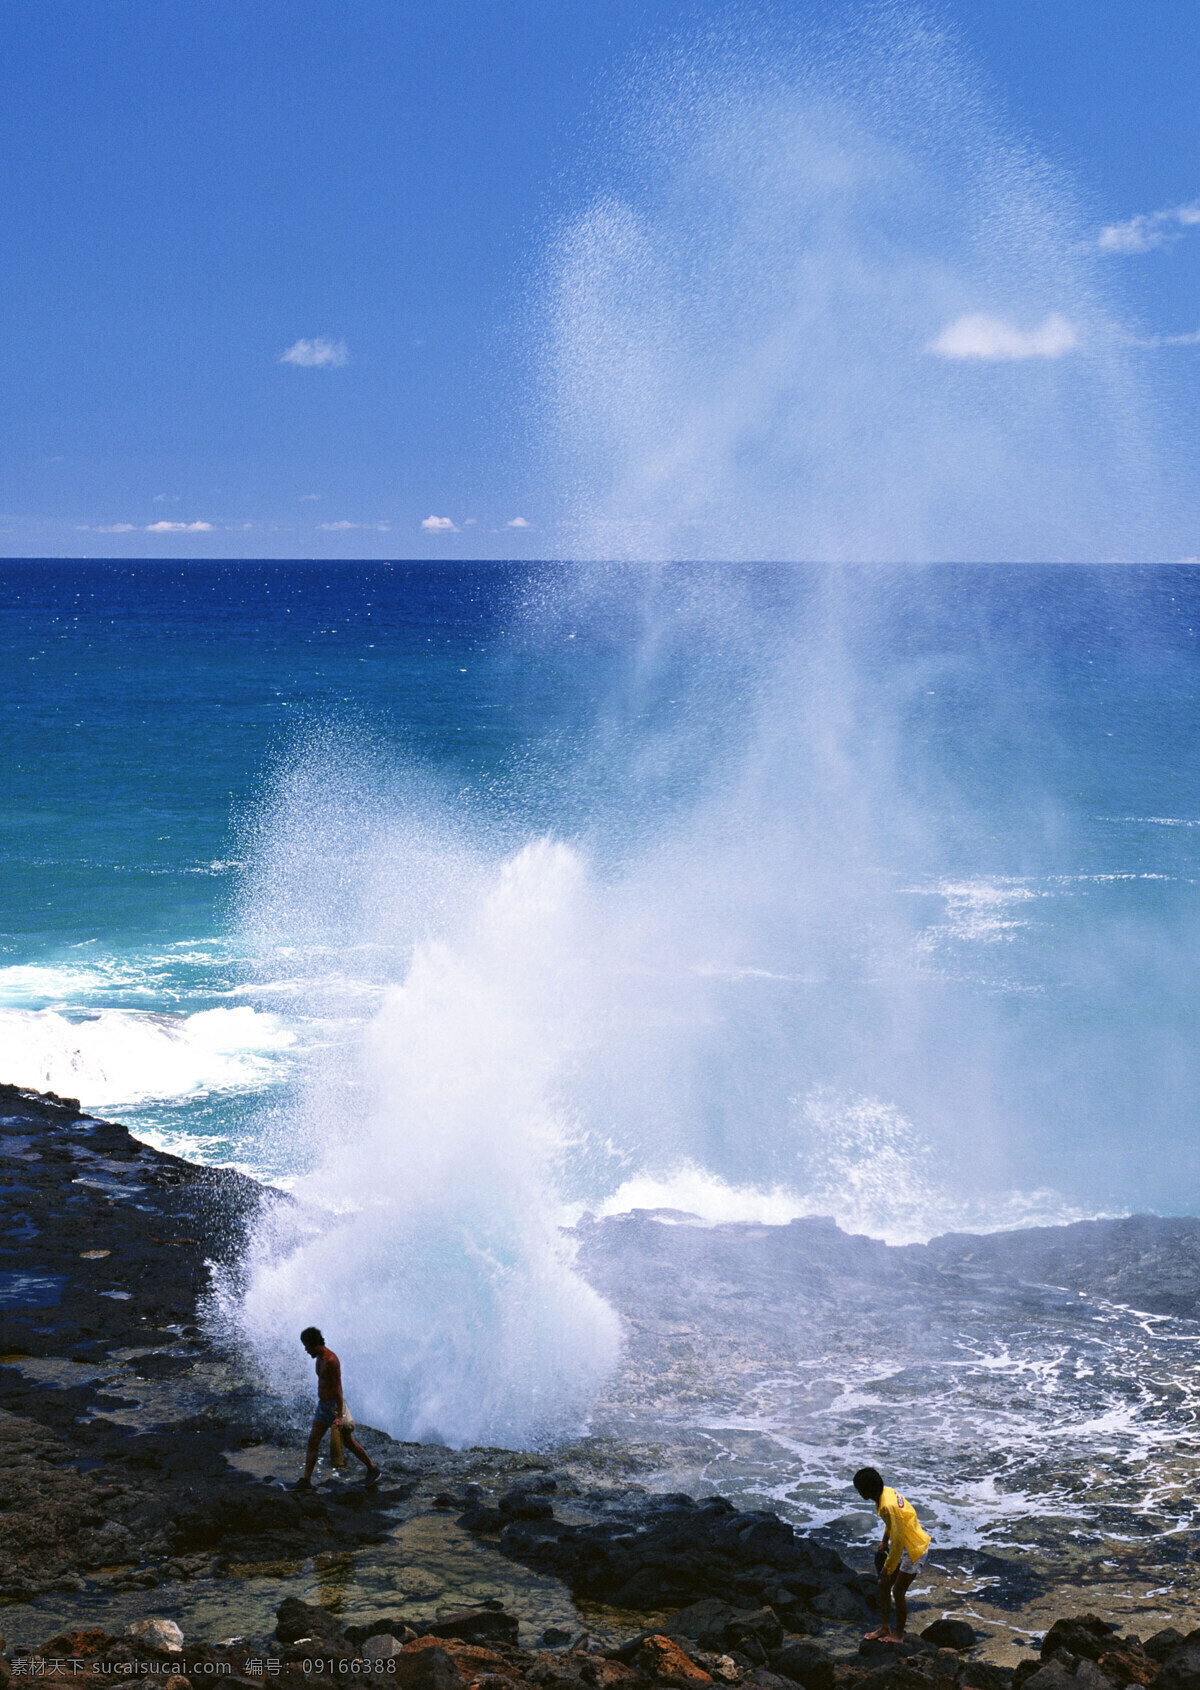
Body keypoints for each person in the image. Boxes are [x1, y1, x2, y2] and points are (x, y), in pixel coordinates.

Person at [293, 1326, 381, 1489]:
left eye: (306, 1346)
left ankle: (373, 1469)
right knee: (313, 1440)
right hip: (323, 1407)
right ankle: (305, 1480)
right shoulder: (319, 1358)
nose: (305, 1350)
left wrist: (339, 1416)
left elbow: (338, 1389)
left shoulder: (331, 1360)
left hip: (334, 1408)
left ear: (314, 1344)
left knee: (348, 1442)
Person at [852, 1466, 931, 1643]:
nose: (858, 1492)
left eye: (860, 1489)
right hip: (905, 1543)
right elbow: (893, 1525)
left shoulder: (887, 1505)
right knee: (883, 1585)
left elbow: (897, 1542)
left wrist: (887, 1568)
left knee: (897, 1590)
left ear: (868, 1490)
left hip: (913, 1548)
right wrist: (884, 1540)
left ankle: (898, 1635)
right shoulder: (885, 1494)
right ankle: (885, 1627)